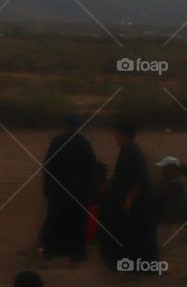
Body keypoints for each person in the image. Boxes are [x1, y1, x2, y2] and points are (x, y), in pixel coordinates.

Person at [99, 118, 158, 271]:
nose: (114, 136)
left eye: (116, 133)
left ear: (123, 134)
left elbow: (139, 180)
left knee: (133, 235)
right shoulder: (128, 151)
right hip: (127, 202)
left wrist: (129, 200)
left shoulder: (133, 153)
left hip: (134, 204)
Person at [38, 113, 97, 262]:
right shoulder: (84, 143)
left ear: (65, 125)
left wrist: (47, 188)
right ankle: (77, 255)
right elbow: (91, 169)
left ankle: (50, 253)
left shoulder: (57, 141)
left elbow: (47, 166)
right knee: (77, 223)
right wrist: (90, 191)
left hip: (58, 190)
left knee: (55, 221)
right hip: (78, 191)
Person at [152, 156, 187, 224]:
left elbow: (159, 198)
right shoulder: (170, 180)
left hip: (172, 221)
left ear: (173, 169)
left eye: (165, 169)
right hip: (169, 218)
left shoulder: (177, 183)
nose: (163, 171)